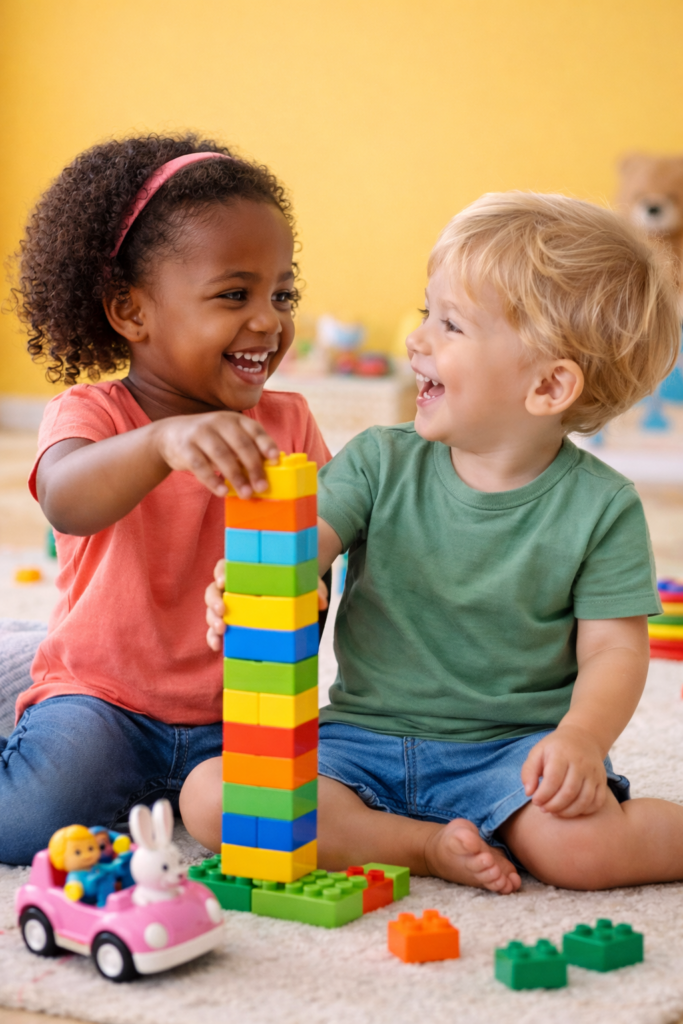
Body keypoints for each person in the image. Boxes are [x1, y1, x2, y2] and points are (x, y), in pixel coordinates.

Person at [198, 192, 683, 894]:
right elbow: (306, 545)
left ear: (548, 385)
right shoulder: (375, 462)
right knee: (216, 796)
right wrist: (264, 586)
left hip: (509, 756)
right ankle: (422, 846)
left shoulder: (600, 506)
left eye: (449, 324)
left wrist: (579, 739)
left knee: (580, 853)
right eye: (426, 313)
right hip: (360, 741)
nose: (416, 341)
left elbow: (613, 648)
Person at [0, 134, 330, 865]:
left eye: (283, 294)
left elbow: (327, 542)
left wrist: (313, 585)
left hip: (241, 712)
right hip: (104, 699)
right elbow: (65, 500)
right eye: (234, 295)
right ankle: (21, 670)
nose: (269, 321)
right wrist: (160, 444)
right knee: (30, 826)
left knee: (330, 795)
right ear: (130, 312)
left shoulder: (289, 421)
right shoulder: (95, 414)